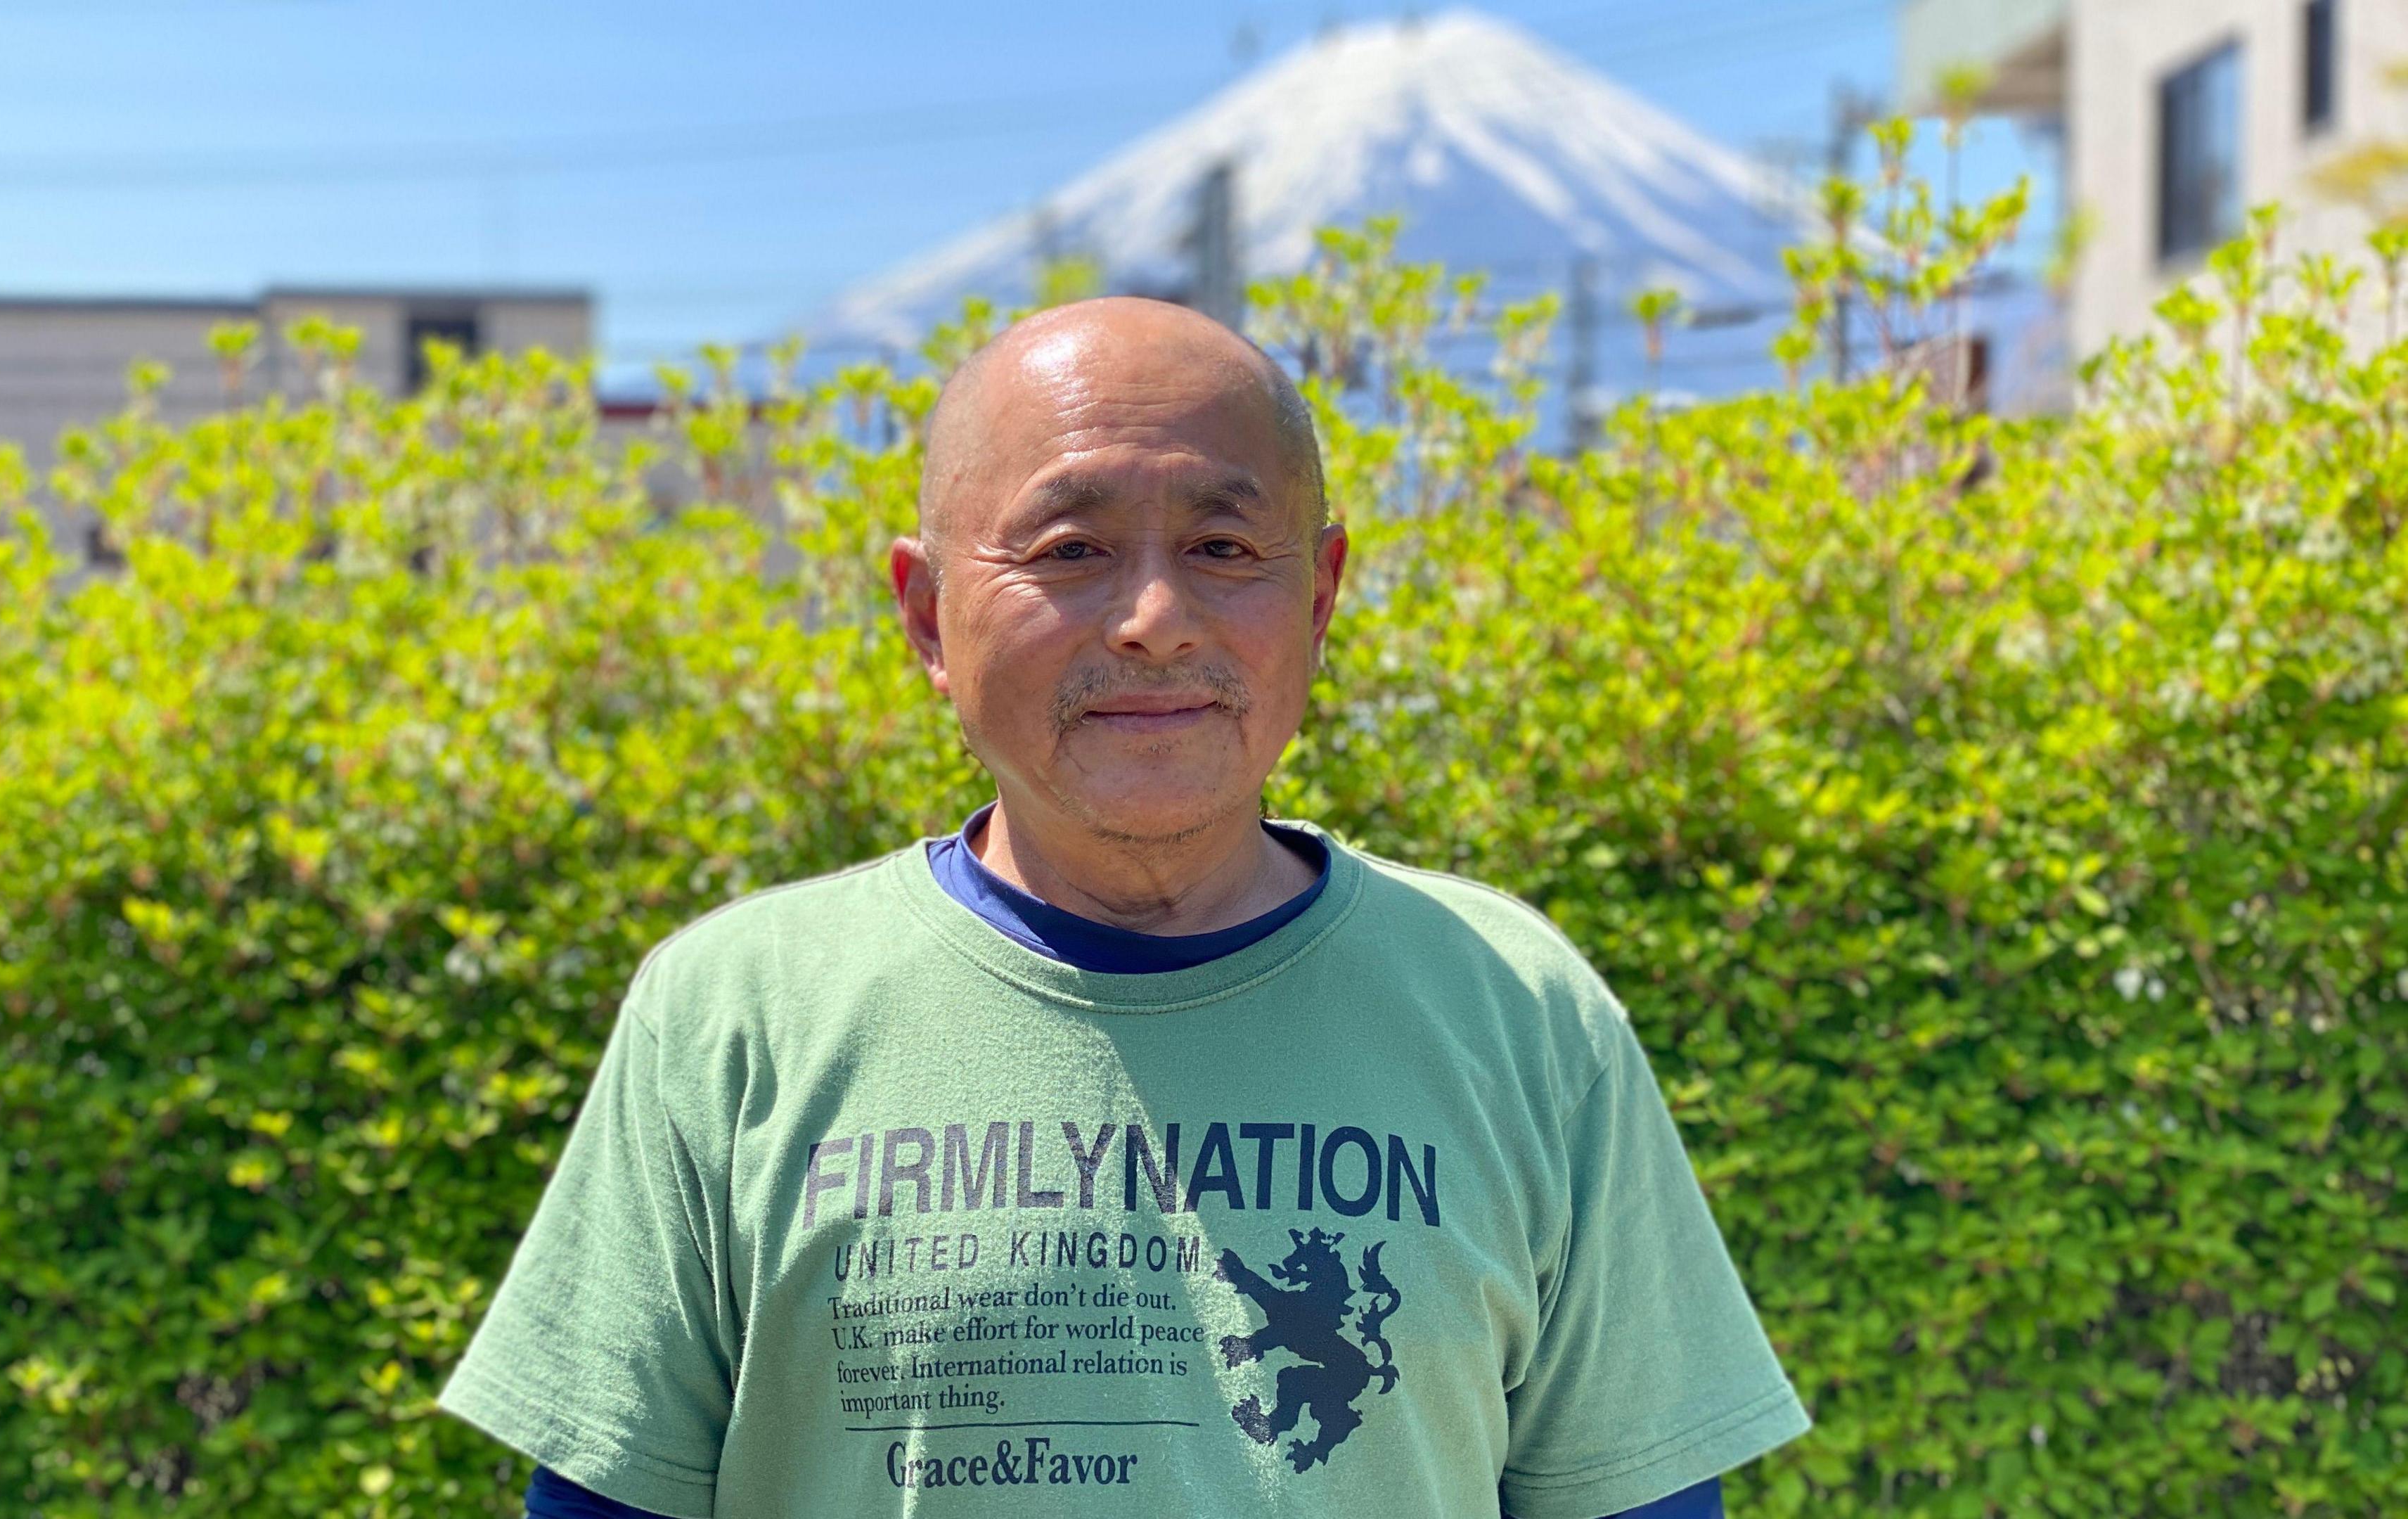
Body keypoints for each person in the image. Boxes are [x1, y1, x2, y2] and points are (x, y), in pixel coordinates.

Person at [434, 296, 1810, 1518]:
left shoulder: (1518, 1007)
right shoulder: (733, 1014)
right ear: (925, 617)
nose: (1154, 615)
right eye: (1070, 547)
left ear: (1320, 595)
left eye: (1223, 545)